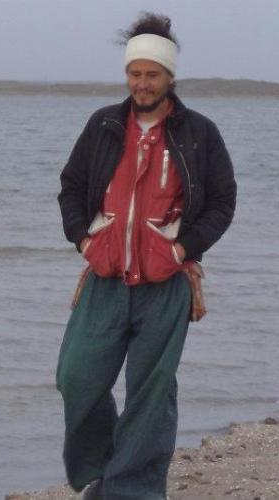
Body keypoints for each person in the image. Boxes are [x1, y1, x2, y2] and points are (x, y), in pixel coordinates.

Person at [56, 12, 237, 500]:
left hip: (166, 284)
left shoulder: (199, 132)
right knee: (76, 376)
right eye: (134, 73)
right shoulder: (103, 125)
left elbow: (223, 201)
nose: (142, 83)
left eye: (151, 74)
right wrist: (84, 241)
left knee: (151, 392)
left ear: (169, 77)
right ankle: (100, 473)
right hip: (105, 277)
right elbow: (71, 187)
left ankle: (130, 490)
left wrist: (183, 248)